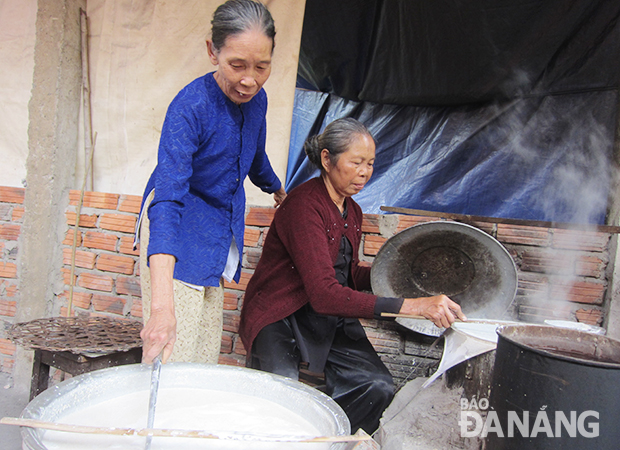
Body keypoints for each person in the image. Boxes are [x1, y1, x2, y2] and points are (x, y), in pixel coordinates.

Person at [239, 117, 466, 435]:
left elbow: (345, 272)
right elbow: (324, 291)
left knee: (376, 386)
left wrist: (403, 278)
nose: (365, 172)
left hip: (324, 316)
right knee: (282, 396)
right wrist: (413, 306)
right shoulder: (304, 206)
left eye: (371, 163)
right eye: (356, 162)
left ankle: (325, 439)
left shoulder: (353, 211)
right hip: (280, 313)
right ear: (327, 159)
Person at [137, 0, 286, 365]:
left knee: (202, 361)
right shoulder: (190, 107)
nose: (249, 80)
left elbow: (254, 156)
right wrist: (161, 306)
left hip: (217, 233)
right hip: (177, 227)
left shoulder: (257, 100)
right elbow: (168, 199)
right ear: (212, 51)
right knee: (170, 358)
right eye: (237, 65)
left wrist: (279, 190)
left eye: (261, 67)